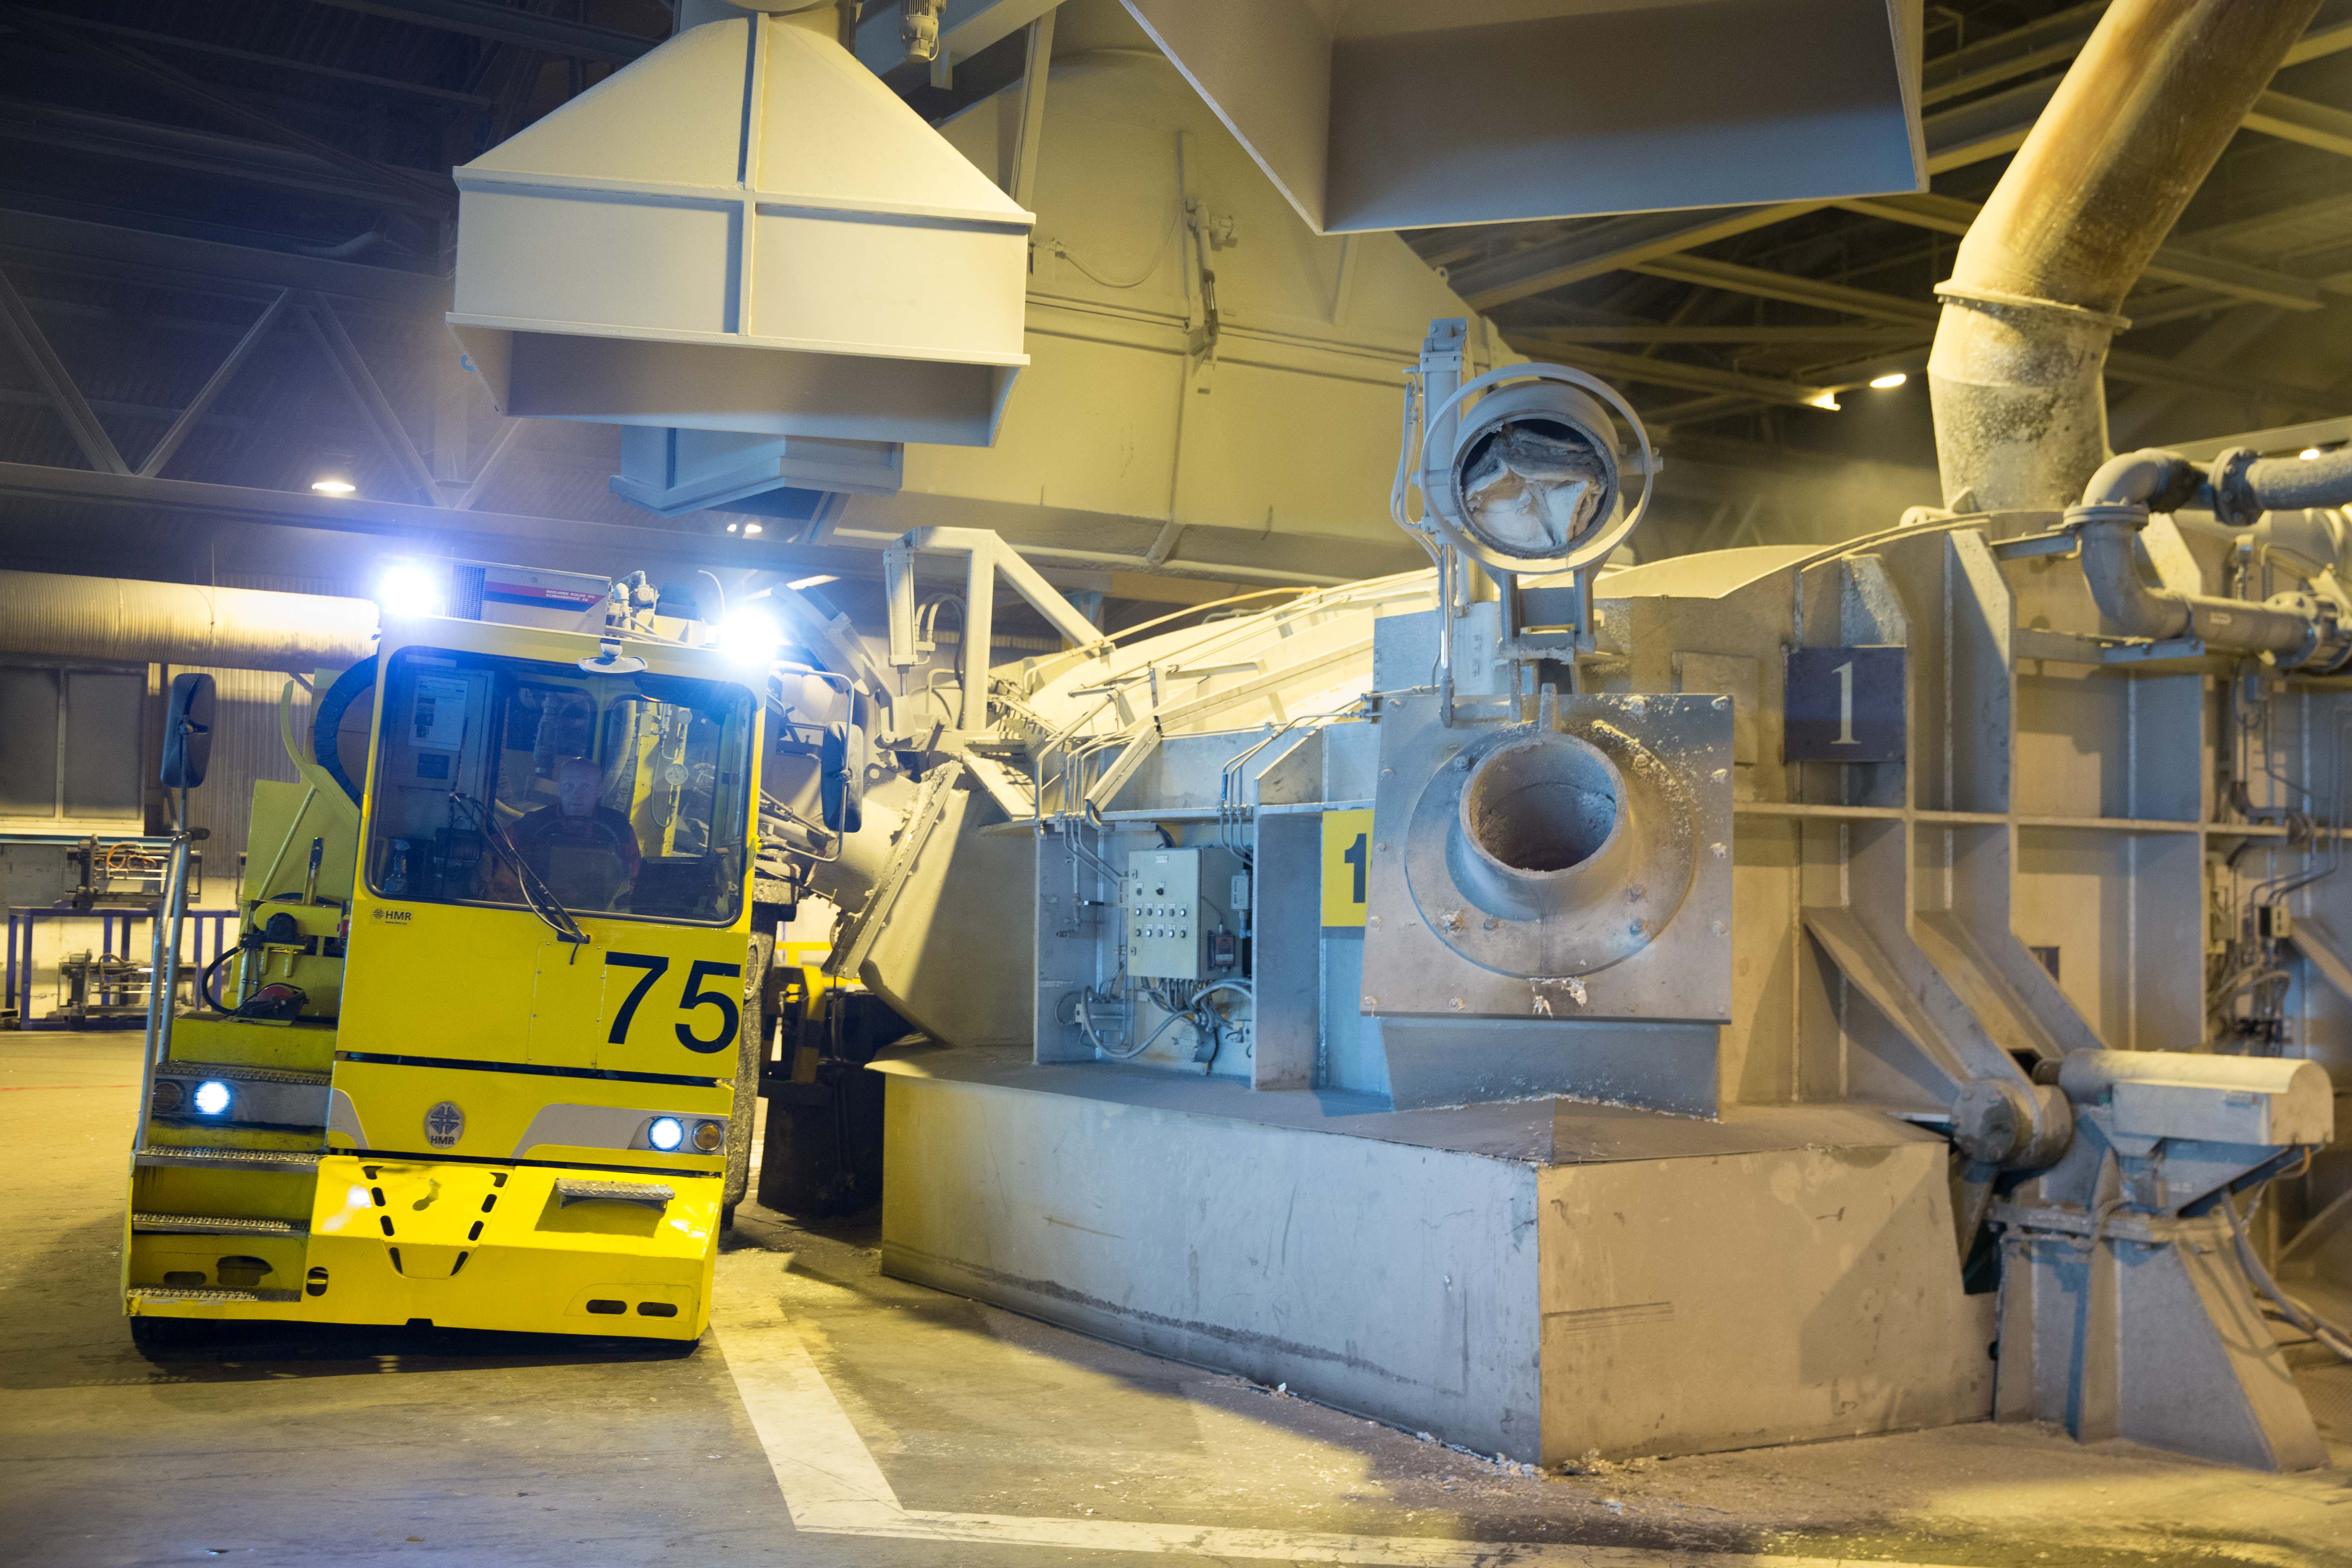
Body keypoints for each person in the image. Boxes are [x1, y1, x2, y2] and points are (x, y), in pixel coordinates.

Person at [511, 757, 641, 911]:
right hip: (542, 911)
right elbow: (497, 848)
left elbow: (636, 871)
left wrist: (620, 906)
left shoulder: (617, 825)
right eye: (569, 786)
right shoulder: (534, 823)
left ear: (600, 790)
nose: (576, 794)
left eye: (585, 786)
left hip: (603, 912)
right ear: (559, 788)